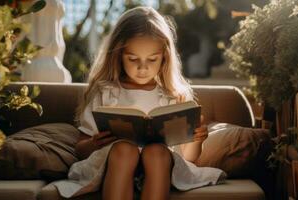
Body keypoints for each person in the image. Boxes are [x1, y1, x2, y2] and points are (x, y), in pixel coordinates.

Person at [54, 6, 226, 200]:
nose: (142, 68)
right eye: (133, 58)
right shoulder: (106, 92)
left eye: (152, 59)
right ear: (118, 55)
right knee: (124, 149)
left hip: (158, 168)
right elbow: (80, 150)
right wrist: (94, 143)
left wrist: (197, 139)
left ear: (165, 58)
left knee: (157, 152)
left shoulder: (174, 96)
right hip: (114, 166)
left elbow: (188, 158)